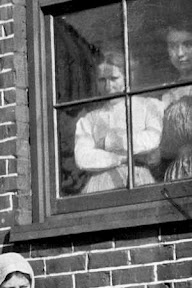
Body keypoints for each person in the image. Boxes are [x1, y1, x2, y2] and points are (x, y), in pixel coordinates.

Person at [72, 51, 163, 194]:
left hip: (138, 178)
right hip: (102, 184)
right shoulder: (89, 119)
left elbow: (152, 139)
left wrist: (109, 142)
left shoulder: (148, 106)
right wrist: (124, 157)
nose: (108, 86)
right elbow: (83, 157)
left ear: (127, 77)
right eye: (102, 80)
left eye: (114, 78)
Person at [157, 18, 192, 182]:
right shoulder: (166, 95)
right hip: (179, 173)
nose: (180, 53)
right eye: (173, 46)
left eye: (187, 44)